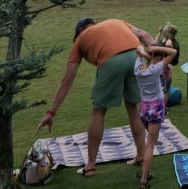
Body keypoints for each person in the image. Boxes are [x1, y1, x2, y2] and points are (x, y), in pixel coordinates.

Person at [37, 18, 156, 176]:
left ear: (79, 31)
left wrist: (51, 113)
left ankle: (90, 166)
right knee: (133, 106)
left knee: (99, 111)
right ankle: (141, 156)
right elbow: (145, 35)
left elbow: (67, 81)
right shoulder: (116, 21)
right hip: (137, 55)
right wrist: (158, 61)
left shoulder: (80, 40)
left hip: (112, 60)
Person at [133, 41, 177, 189]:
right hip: (156, 107)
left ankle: (145, 170)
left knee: (151, 140)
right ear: (157, 58)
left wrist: (143, 52)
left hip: (144, 108)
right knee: (150, 144)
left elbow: (138, 50)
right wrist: (157, 48)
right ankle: (144, 179)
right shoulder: (155, 70)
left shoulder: (138, 69)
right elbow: (174, 53)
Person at [155, 22, 180, 106]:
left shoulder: (171, 44)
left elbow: (170, 57)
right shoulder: (165, 41)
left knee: (165, 90)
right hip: (160, 68)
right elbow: (155, 43)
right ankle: (159, 106)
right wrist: (159, 33)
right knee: (162, 88)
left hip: (166, 69)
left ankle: (163, 109)